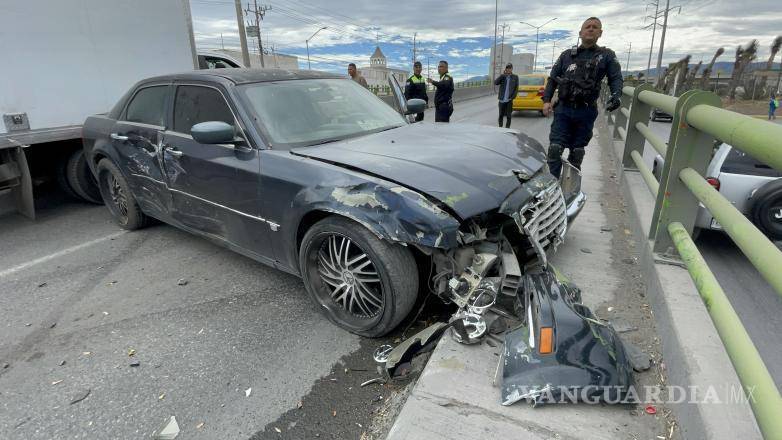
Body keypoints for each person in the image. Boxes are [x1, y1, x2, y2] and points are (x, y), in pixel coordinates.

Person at [542, 17, 623, 177]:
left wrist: (616, 95)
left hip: (586, 111)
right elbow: (552, 79)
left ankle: (570, 190)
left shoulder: (606, 55)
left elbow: (615, 77)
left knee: (577, 152)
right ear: (580, 33)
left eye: (595, 27)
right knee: (554, 150)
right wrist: (546, 101)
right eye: (587, 26)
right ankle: (552, 188)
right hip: (563, 109)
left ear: (600, 33)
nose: (591, 29)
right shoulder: (566, 56)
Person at [494, 63, 519, 128]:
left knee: (508, 116)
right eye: (507, 68)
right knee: (501, 115)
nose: (508, 69)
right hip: (501, 100)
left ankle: (507, 129)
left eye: (510, 68)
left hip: (509, 100)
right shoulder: (503, 77)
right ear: (506, 69)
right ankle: (500, 128)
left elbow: (516, 88)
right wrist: (502, 75)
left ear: (512, 69)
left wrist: (513, 97)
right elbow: (495, 82)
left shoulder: (515, 77)